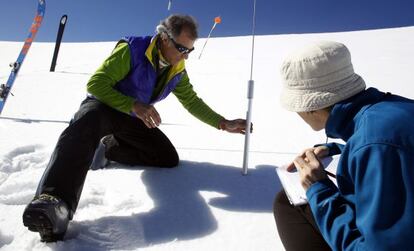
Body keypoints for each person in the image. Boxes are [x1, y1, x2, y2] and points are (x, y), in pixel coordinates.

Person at [22, 14, 249, 242]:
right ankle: (53, 202)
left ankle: (108, 148)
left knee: (167, 157)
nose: (185, 56)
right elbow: (96, 83)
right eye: (182, 48)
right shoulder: (133, 49)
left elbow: (191, 101)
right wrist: (133, 105)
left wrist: (222, 123)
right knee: (85, 123)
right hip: (105, 105)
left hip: (134, 117)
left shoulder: (177, 68)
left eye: (189, 51)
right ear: (164, 38)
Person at [273, 41, 414, 251]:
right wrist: (338, 151)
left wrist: (318, 189)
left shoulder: (374, 145)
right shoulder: (394, 110)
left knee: (290, 204)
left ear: (312, 107)